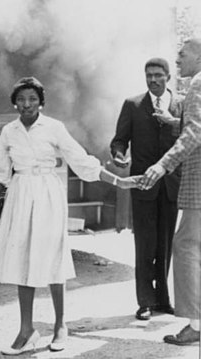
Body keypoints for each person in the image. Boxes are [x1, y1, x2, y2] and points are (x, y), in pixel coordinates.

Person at [0, 77, 139, 355]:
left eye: (32, 99)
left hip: (48, 196)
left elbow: (81, 161)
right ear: (14, 102)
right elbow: (2, 173)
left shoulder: (54, 128)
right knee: (22, 260)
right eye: (21, 99)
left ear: (41, 102)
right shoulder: (9, 131)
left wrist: (120, 182)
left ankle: (59, 326)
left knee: (53, 259)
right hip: (19, 195)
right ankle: (26, 330)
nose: (26, 104)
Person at [110, 58, 184, 321]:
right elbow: (119, 140)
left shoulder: (181, 105)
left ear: (168, 77)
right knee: (144, 243)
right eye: (148, 75)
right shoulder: (133, 105)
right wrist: (119, 155)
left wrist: (174, 120)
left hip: (171, 186)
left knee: (165, 243)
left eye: (158, 75)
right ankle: (144, 302)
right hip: (142, 185)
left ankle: (163, 300)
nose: (153, 80)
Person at [142, 38, 201, 347]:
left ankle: (195, 325)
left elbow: (195, 131)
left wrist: (163, 165)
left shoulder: (198, 84)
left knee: (187, 246)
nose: (177, 59)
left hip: (199, 183)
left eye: (182, 53)